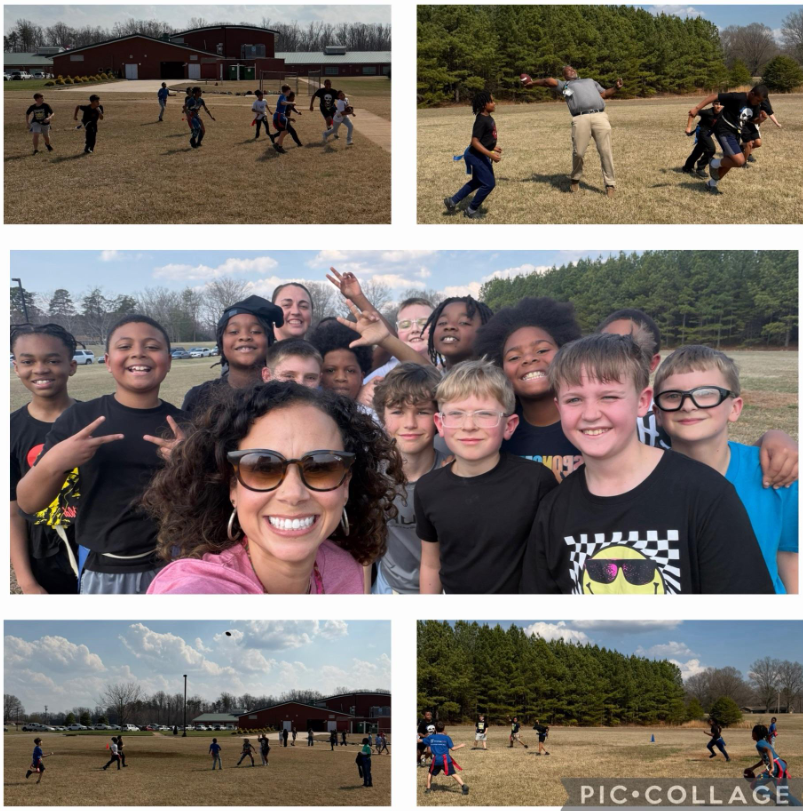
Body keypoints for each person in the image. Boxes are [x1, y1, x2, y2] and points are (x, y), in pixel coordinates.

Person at [521, 332, 775, 595]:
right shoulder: (553, 511)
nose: (591, 414)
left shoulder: (706, 495)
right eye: (574, 399)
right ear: (559, 406)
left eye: (609, 396)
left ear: (643, 401)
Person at [145, 383, 404, 595]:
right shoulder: (193, 594)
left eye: (322, 467)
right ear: (232, 487)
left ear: (346, 483)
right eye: (262, 468)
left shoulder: (345, 570)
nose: (293, 494)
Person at [16, 315, 186, 594]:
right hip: (103, 568)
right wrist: (56, 461)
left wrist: (189, 464)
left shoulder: (184, 424)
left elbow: (207, 503)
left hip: (173, 565)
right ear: (108, 361)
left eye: (152, 346)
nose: (138, 353)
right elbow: (28, 502)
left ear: (168, 360)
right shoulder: (79, 418)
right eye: (125, 346)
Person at [653, 345, 798, 593]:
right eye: (673, 396)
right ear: (657, 412)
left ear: (735, 408)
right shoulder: (644, 481)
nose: (688, 405)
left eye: (707, 393)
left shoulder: (778, 472)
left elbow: (788, 555)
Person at [599, 309, 799, 486]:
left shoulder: (667, 409)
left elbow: (716, 450)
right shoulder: (586, 414)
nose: (687, 406)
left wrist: (772, 437)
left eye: (626, 350)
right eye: (603, 349)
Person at [417, 359, 557, 594]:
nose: (469, 425)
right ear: (440, 424)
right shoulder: (427, 488)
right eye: (456, 414)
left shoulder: (537, 481)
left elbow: (553, 560)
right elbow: (431, 564)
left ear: (509, 425)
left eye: (484, 414)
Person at [474, 296, 583, 483]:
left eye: (541, 350)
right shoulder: (497, 431)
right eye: (514, 357)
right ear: (500, 370)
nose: (529, 359)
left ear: (566, 353)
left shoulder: (590, 420)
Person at [11, 324, 80, 594]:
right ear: (16, 367)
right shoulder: (11, 430)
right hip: (45, 557)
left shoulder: (97, 418)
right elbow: (12, 513)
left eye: (52, 360)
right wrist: (27, 582)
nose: (40, 369)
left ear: (72, 366)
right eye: (28, 361)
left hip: (98, 548)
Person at [372, 364, 447, 594]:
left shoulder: (452, 474)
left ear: (438, 417)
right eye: (397, 411)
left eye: (422, 411)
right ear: (382, 417)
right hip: (387, 587)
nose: (410, 423)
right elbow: (366, 549)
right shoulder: (372, 475)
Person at [521, 66, 623, 197]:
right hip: (580, 118)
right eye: (568, 70)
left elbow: (603, 94)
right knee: (578, 152)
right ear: (564, 76)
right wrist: (533, 83)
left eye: (573, 69)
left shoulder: (590, 81)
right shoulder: (565, 86)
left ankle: (610, 184)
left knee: (605, 151)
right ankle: (575, 178)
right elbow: (548, 81)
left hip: (600, 116)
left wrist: (616, 88)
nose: (572, 70)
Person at [181, 295, 284, 416]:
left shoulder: (283, 394)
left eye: (256, 331)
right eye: (234, 331)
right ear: (221, 342)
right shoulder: (198, 397)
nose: (245, 337)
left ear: (269, 340)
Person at [686, 84, 769, 193]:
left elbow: (751, 120)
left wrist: (761, 119)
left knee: (730, 161)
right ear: (752, 94)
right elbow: (714, 96)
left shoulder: (755, 105)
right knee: (739, 161)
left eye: (760, 102)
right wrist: (697, 108)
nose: (758, 103)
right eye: (757, 100)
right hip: (724, 129)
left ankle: (711, 184)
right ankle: (713, 163)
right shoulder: (738, 97)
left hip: (736, 132)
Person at [444, 90, 501, 219]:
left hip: (479, 154)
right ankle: (471, 209)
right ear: (483, 105)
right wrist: (490, 155)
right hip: (475, 156)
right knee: (489, 184)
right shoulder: (481, 120)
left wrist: (493, 147)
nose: (494, 103)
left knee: (477, 181)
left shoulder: (488, 118)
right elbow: (474, 142)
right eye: (491, 101)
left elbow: (483, 140)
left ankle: (452, 201)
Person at [363, 296, 434, 387]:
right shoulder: (385, 371)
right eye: (405, 324)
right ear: (397, 331)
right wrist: (362, 392)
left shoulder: (448, 365)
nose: (415, 329)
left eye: (424, 323)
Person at [423, 296, 494, 372]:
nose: (449, 326)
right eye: (442, 322)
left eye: (463, 322)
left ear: (485, 332)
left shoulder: (495, 380)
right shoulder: (433, 379)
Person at [744, 724, 801, 806]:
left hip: (776, 767)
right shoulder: (764, 742)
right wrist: (753, 768)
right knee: (784, 792)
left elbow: (769, 752)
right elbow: (764, 759)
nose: (751, 734)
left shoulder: (759, 744)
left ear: (756, 733)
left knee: (756, 785)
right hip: (781, 764)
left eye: (752, 732)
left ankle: (777, 800)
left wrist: (772, 768)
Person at [422, 721, 468, 795]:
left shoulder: (431, 737)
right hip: (446, 760)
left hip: (436, 760)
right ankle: (463, 785)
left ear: (435, 729)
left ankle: (428, 789)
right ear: (443, 729)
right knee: (453, 773)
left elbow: (421, 740)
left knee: (430, 773)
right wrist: (461, 745)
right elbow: (453, 748)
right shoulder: (446, 738)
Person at [683, 99, 723, 178]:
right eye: (716, 104)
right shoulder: (707, 112)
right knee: (711, 149)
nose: (718, 106)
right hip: (702, 130)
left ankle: (687, 167)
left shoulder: (724, 111)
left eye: (720, 104)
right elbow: (692, 113)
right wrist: (688, 127)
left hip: (709, 131)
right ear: (712, 104)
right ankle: (700, 168)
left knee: (699, 150)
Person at [741, 96, 781, 165]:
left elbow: (769, 112)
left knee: (758, 143)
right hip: (745, 124)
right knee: (750, 143)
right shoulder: (748, 101)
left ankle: (744, 150)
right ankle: (744, 158)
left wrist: (775, 122)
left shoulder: (762, 102)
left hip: (754, 123)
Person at [272, 84, 292, 154]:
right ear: (286, 91)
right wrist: (291, 102)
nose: (290, 92)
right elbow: (282, 103)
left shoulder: (284, 97)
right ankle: (279, 147)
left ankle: (276, 144)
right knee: (284, 131)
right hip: (279, 117)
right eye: (289, 91)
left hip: (281, 117)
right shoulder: (282, 96)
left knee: (286, 131)